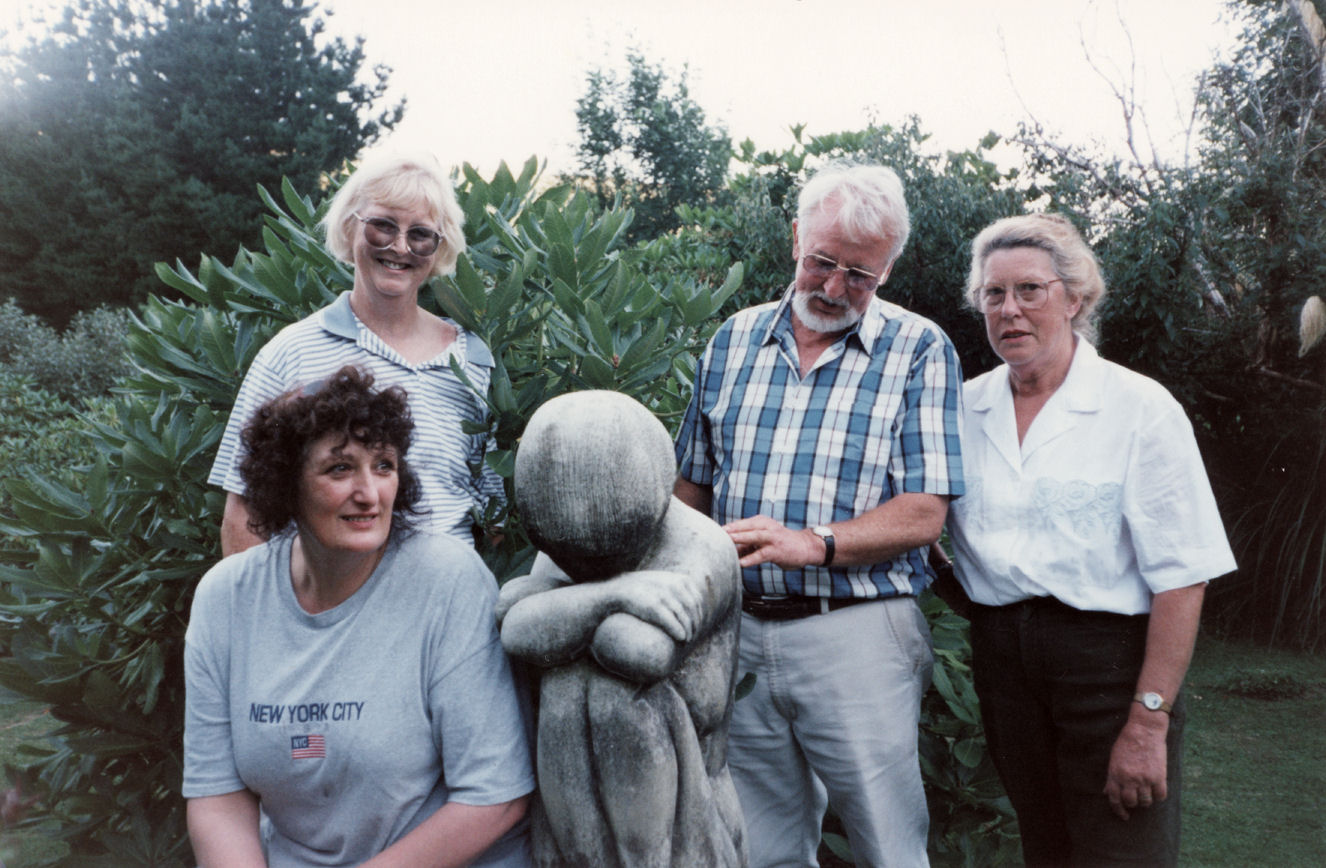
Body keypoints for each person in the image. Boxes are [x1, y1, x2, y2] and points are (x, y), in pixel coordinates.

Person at [674, 163, 965, 868]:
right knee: (758, 848)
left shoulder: (920, 349)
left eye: (860, 275)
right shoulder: (732, 339)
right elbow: (691, 490)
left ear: (888, 269)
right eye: (822, 262)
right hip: (737, 631)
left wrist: (815, 544)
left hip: (857, 634)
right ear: (796, 238)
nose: (834, 289)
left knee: (887, 848)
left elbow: (924, 513)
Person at [939, 213, 1236, 867]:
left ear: (1075, 298)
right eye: (993, 293)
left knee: (1122, 851)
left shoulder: (1139, 408)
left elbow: (1183, 575)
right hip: (1005, 669)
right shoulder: (960, 409)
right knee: (1046, 850)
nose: (1009, 310)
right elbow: (923, 518)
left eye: (1030, 289)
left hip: (1108, 669)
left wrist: (1149, 720)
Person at [183, 366, 534, 867]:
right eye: (340, 469)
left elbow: (495, 797)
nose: (370, 493)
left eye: (384, 466)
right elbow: (217, 796)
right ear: (287, 483)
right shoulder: (226, 598)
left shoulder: (447, 580)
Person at [209, 149, 503, 555]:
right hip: (331, 592)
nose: (399, 247)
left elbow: (491, 509)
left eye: (420, 234)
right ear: (350, 227)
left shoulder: (472, 358)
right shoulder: (292, 352)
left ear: (440, 247)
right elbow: (245, 514)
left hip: (452, 590)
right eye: (382, 226)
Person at [496, 390, 746, 868]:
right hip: (577, 815)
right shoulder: (568, 534)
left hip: (684, 815)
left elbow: (638, 652)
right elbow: (518, 634)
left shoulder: (701, 548)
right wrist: (614, 594)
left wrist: (558, 609)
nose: (583, 567)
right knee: (567, 685)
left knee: (614, 692)